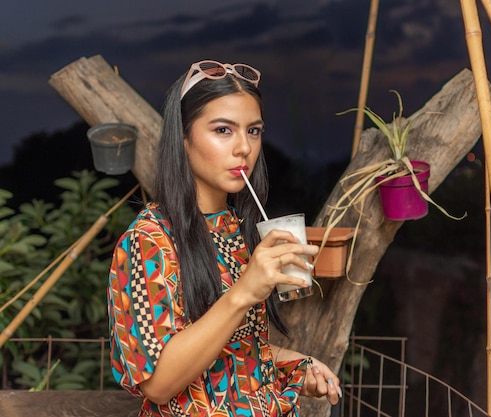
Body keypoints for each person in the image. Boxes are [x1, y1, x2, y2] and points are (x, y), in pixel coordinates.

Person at [107, 60, 341, 416]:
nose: (244, 148)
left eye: (254, 131)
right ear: (184, 139)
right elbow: (158, 384)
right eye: (223, 130)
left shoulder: (239, 227)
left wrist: (294, 362)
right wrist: (244, 291)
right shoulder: (148, 242)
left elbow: (232, 349)